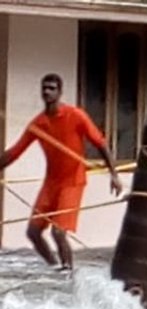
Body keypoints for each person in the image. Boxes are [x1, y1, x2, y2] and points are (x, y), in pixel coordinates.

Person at [0, 73, 122, 271]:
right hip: (52, 182)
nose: (47, 92)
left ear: (59, 92)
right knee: (33, 232)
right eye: (44, 88)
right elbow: (14, 152)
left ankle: (68, 272)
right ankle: (54, 268)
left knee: (58, 232)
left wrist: (114, 175)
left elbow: (100, 143)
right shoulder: (38, 124)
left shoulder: (76, 115)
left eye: (52, 88)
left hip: (73, 181)